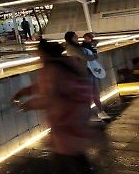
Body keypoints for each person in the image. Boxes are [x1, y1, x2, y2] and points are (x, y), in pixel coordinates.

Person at [12, 40, 95, 173]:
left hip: (65, 128)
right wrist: (24, 92)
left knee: (68, 164)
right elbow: (48, 87)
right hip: (77, 122)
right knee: (78, 162)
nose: (39, 58)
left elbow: (49, 98)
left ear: (44, 54)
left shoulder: (52, 69)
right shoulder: (66, 64)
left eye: (39, 54)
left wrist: (27, 104)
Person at [64, 31, 109, 121]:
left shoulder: (78, 46)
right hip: (82, 74)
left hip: (89, 71)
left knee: (95, 93)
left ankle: (100, 111)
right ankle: (89, 115)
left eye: (77, 37)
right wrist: (95, 56)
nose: (77, 39)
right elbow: (86, 57)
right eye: (75, 37)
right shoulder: (71, 48)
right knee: (88, 95)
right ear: (70, 39)